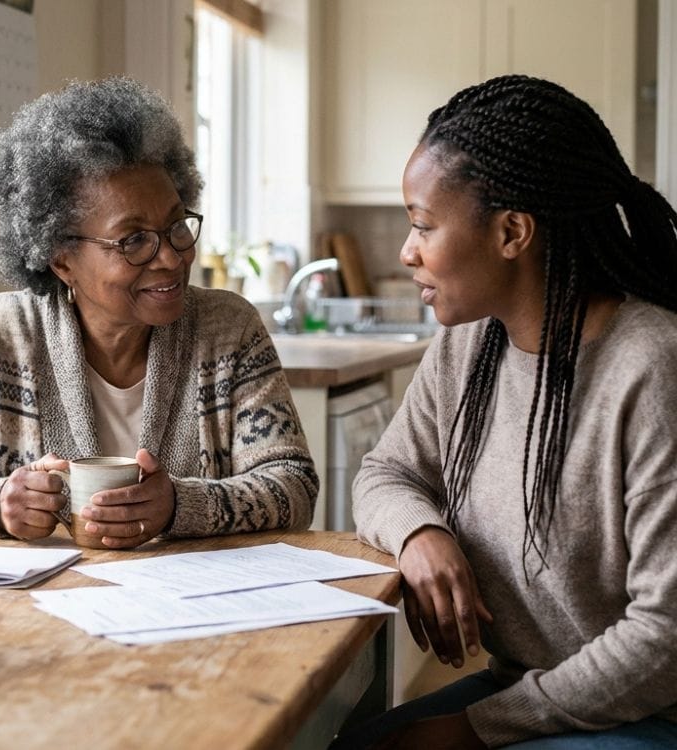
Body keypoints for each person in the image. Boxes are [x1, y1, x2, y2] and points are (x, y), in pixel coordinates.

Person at [338, 75, 677, 748]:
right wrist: (418, 534)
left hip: (647, 712)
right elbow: (385, 472)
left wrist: (473, 728)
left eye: (423, 225)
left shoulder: (653, 367)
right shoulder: (467, 345)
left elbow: (665, 635)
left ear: (512, 232)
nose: (407, 251)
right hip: (529, 688)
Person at [0, 77, 317, 548]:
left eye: (176, 226)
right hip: (47, 606)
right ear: (62, 259)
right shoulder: (0, 335)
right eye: (133, 239)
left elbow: (294, 484)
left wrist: (181, 506)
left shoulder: (228, 329)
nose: (170, 257)